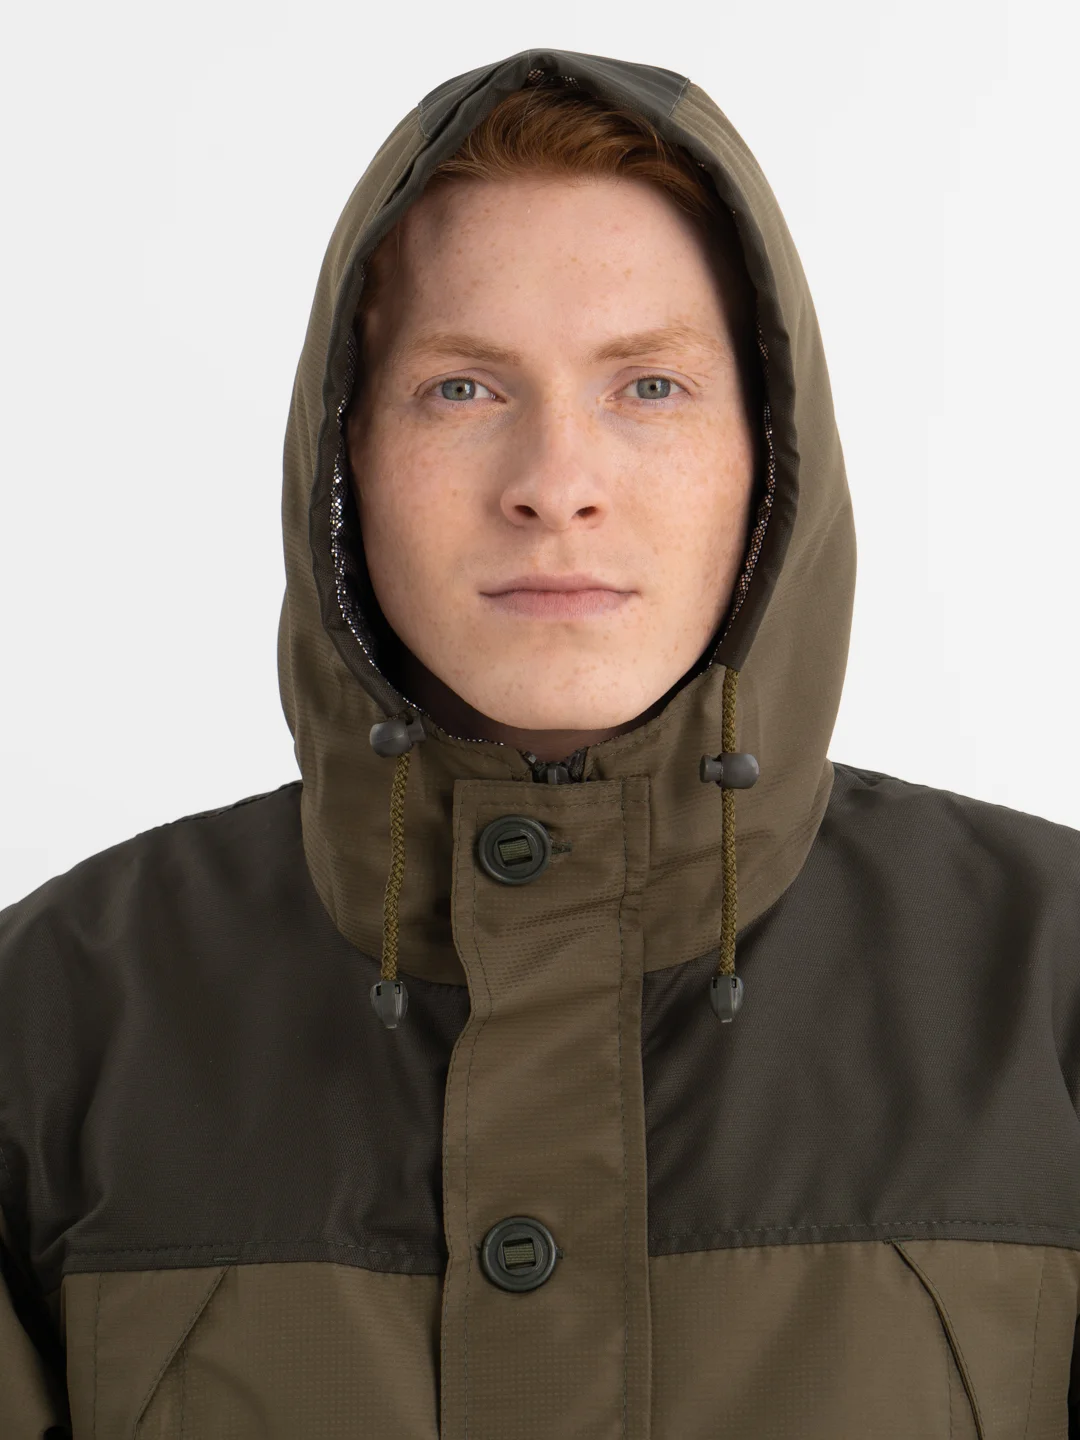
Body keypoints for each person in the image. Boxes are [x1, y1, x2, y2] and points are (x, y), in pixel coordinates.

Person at [2, 45, 1079, 1439]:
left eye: (650, 387)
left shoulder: (1052, 986)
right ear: (344, 458)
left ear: (773, 456)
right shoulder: (52, 1025)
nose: (556, 485)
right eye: (463, 388)